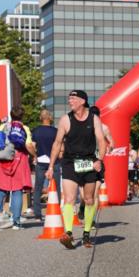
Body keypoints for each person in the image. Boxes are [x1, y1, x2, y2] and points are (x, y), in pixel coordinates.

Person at [47, 89, 108, 249]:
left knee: (88, 200)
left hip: (89, 162)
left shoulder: (94, 119)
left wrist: (99, 160)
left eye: (73, 99)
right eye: (69, 98)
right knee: (69, 199)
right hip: (70, 162)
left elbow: (102, 141)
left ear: (82, 101)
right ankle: (68, 233)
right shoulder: (65, 120)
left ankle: (86, 234)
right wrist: (51, 166)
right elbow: (57, 143)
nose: (70, 101)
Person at [0, 107, 36, 231]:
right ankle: (16, 222)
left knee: (0, 191)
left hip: (3, 161)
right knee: (17, 191)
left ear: (11, 115)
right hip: (19, 161)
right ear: (22, 116)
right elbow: (28, 145)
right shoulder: (24, 129)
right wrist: (35, 155)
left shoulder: (2, 127)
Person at [31, 109, 60, 222]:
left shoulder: (36, 131)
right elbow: (59, 147)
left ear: (40, 118)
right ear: (50, 118)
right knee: (56, 187)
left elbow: (32, 145)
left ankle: (38, 214)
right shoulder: (55, 131)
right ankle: (56, 210)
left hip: (41, 162)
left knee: (38, 188)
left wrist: (35, 156)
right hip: (55, 162)